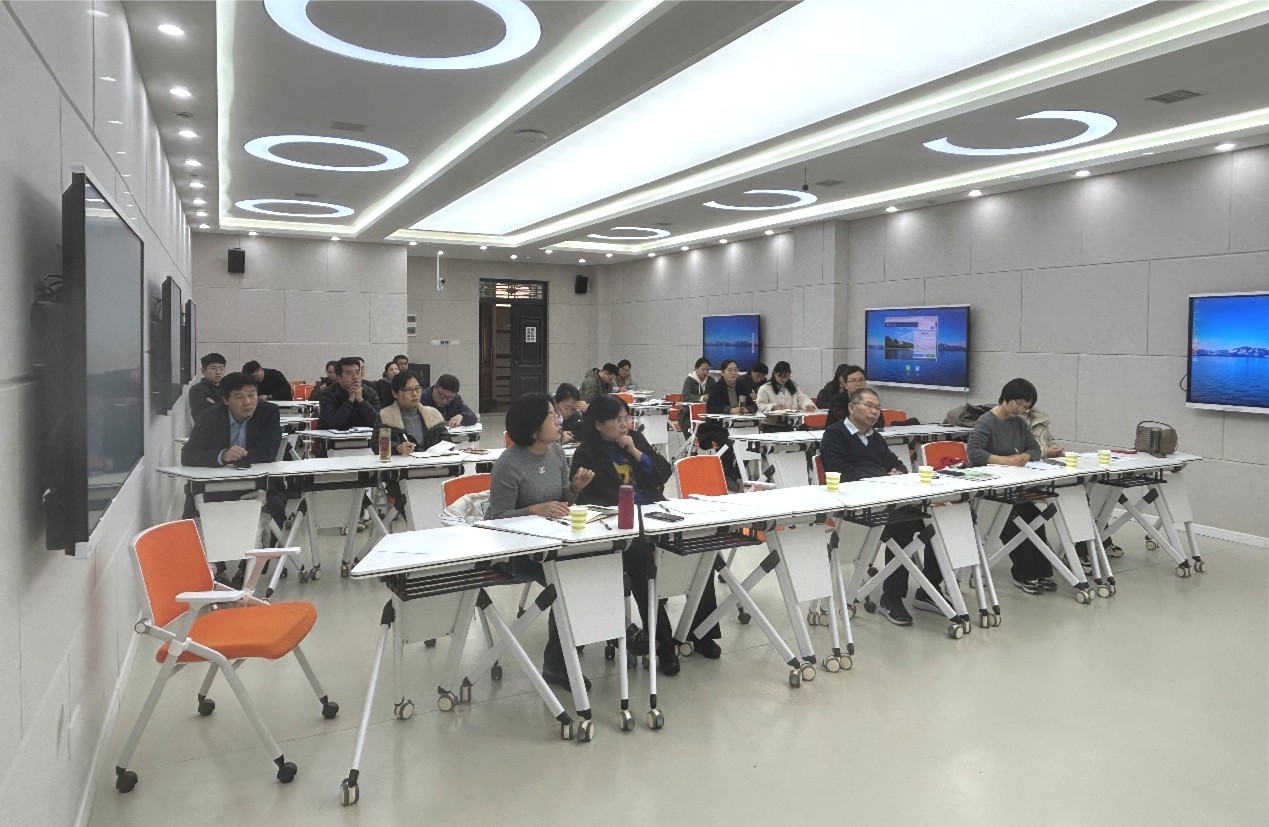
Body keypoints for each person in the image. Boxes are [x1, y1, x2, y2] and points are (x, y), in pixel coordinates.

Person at [570, 395, 722, 676]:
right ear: (599, 424)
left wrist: (636, 452)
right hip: (622, 523)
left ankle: (702, 632)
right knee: (641, 560)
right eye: (617, 419)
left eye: (625, 418)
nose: (623, 424)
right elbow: (587, 501)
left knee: (702, 545)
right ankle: (663, 643)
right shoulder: (587, 452)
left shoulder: (635, 439)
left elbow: (663, 473)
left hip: (654, 511)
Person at [487, 393, 596, 691]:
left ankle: (574, 638)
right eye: (551, 415)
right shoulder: (509, 464)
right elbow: (496, 519)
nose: (559, 420)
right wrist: (533, 509)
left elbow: (562, 501)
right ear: (533, 426)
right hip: (515, 553)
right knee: (567, 581)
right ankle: (557, 666)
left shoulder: (557, 452)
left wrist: (575, 488)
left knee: (590, 568)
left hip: (552, 543)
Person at [820, 388, 942, 626]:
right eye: (869, 405)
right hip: (857, 506)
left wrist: (895, 473)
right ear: (852, 407)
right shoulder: (835, 434)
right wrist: (880, 477)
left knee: (936, 521)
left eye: (877, 407)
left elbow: (896, 464)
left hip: (886, 500)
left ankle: (929, 589)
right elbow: (840, 471)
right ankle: (891, 597)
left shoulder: (874, 436)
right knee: (902, 528)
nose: (875, 411)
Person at [182, 371, 286, 588]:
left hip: (259, 483)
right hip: (217, 485)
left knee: (275, 507)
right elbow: (188, 455)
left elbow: (268, 452)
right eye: (240, 397)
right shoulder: (209, 417)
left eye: (252, 395)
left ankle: (247, 569)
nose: (248, 402)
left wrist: (239, 457)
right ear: (225, 400)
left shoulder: (269, 412)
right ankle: (216, 570)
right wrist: (222, 455)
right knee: (195, 507)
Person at [966, 378, 1057, 594]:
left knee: (1033, 517)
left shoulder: (1019, 424)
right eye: (1018, 403)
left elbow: (1035, 450)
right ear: (1006, 398)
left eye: (1026, 407)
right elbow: (975, 453)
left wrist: (1024, 456)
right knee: (1013, 522)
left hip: (1014, 487)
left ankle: (1042, 571)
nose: (1021, 409)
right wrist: (1005, 460)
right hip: (990, 490)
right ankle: (1024, 573)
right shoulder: (986, 422)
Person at [698, 358, 749, 488]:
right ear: (722, 372)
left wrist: (747, 409)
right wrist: (730, 410)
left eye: (735, 370)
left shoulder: (742, 387)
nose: (733, 373)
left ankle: (737, 474)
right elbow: (711, 409)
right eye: (730, 370)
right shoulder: (716, 387)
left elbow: (753, 405)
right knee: (727, 441)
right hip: (717, 426)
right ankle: (727, 475)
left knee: (749, 443)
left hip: (738, 426)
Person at [371, 370, 449, 455]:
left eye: (417, 388)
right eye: (408, 390)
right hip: (402, 462)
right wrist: (396, 448)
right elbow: (376, 445)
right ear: (395, 394)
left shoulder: (433, 415)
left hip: (432, 462)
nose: (415, 394)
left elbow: (448, 443)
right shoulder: (386, 417)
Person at [315, 356, 380, 429]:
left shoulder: (370, 393)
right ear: (339, 378)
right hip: (333, 436)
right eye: (349, 373)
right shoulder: (328, 394)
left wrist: (361, 401)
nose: (355, 377)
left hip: (364, 435)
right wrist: (350, 401)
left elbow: (377, 423)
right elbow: (334, 424)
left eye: (357, 372)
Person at [678, 357, 715, 433]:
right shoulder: (689, 380)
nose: (705, 372)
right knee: (693, 432)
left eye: (707, 370)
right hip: (688, 414)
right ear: (696, 369)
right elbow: (686, 397)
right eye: (703, 369)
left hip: (707, 414)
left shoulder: (711, 380)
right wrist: (702, 398)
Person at [188, 352, 226, 418]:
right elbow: (202, 415)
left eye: (221, 369)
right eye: (213, 368)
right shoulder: (197, 389)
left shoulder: (228, 388)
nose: (218, 372)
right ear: (203, 371)